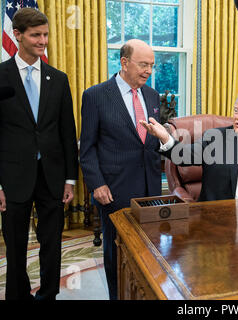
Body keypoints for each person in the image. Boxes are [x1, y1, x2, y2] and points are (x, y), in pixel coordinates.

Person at [0, 8, 78, 300]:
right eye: (36, 35)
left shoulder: (58, 79)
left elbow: (67, 132)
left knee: (51, 243)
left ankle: (48, 295)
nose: (43, 40)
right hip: (13, 178)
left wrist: (70, 179)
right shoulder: (1, 76)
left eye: (45, 34)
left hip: (52, 176)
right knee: (16, 246)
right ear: (17, 35)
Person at [79, 39, 162, 300]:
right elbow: (87, 148)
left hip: (150, 188)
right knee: (116, 253)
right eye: (143, 64)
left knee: (149, 251)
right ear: (124, 62)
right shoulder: (95, 96)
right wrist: (96, 184)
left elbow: (151, 141)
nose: (148, 71)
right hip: (113, 189)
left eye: (152, 65)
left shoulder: (152, 95)